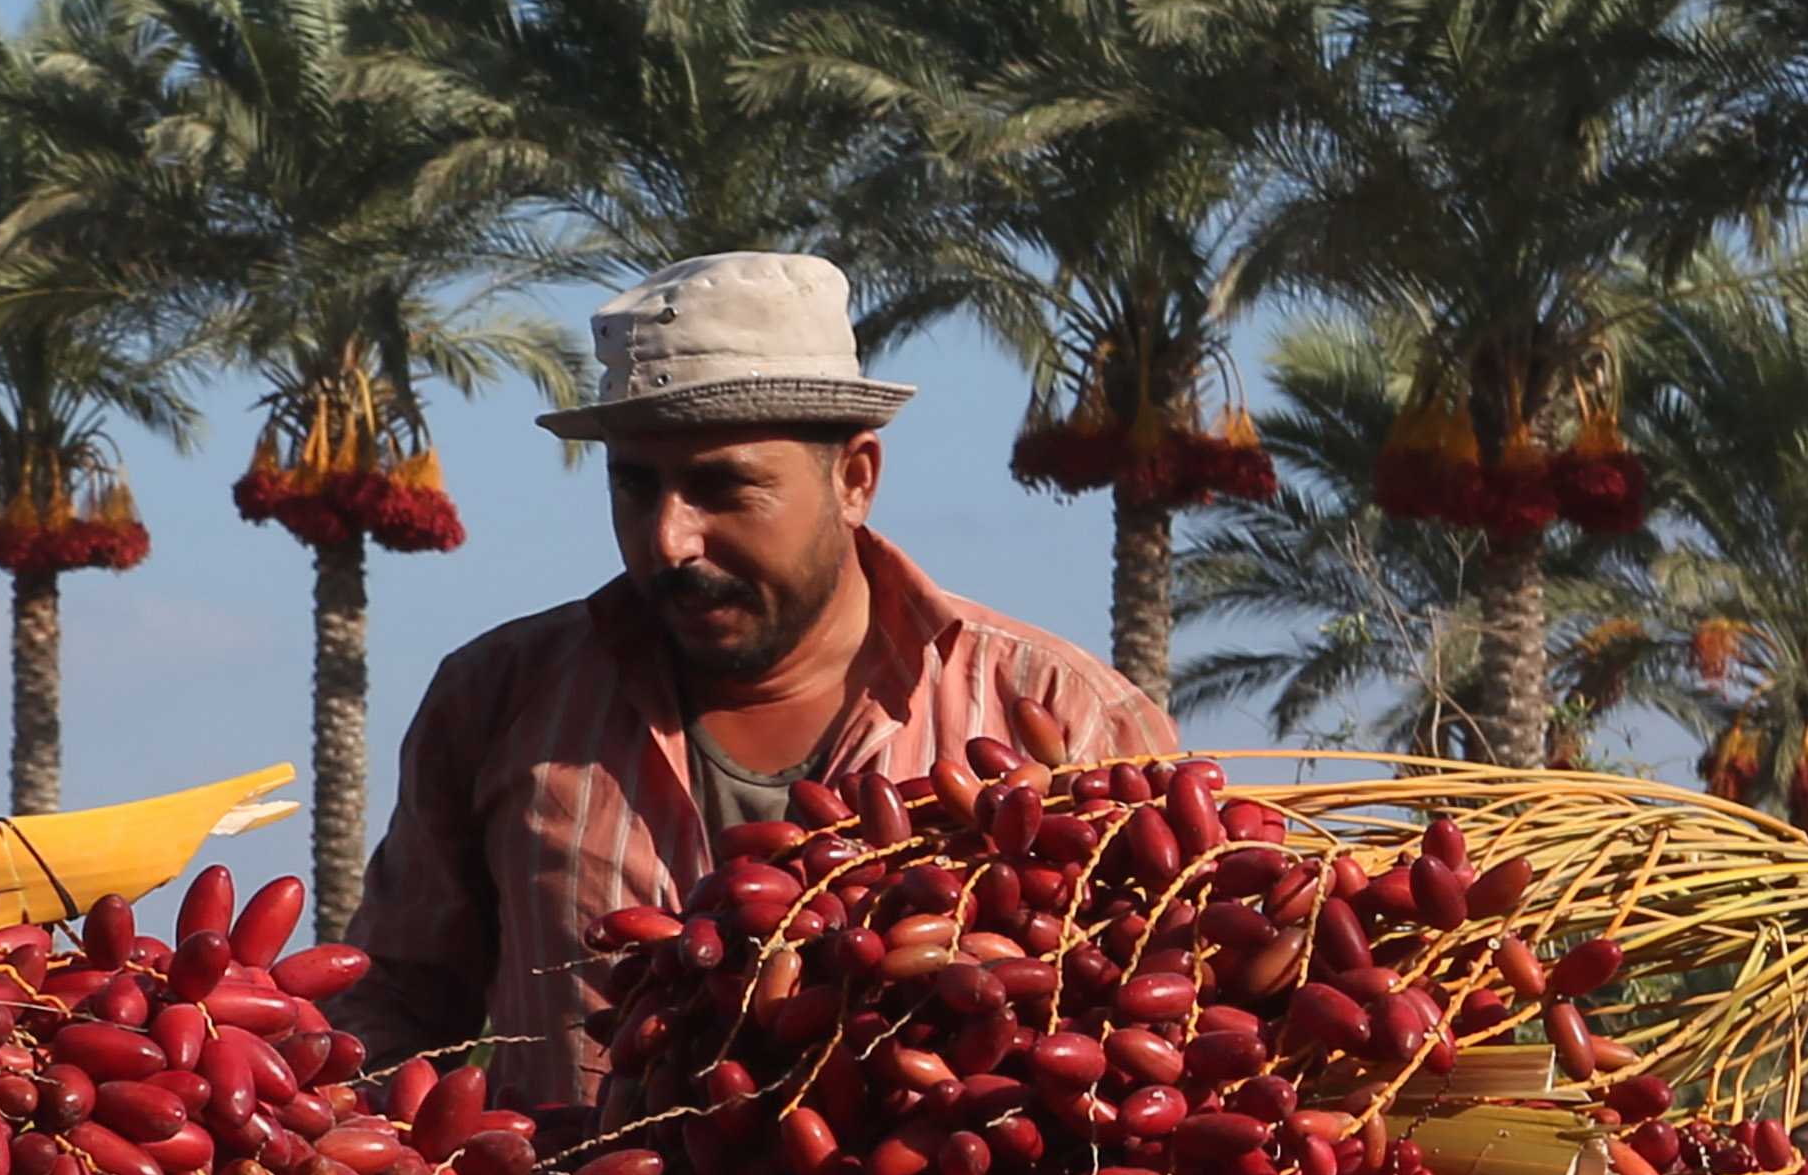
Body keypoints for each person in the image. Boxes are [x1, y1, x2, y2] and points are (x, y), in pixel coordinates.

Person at [336, 250, 1177, 1106]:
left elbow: (1173, 1028)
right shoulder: (498, 701)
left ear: (855, 480)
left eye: (723, 488)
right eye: (636, 487)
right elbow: (391, 1004)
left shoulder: (1067, 718)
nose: (670, 540)